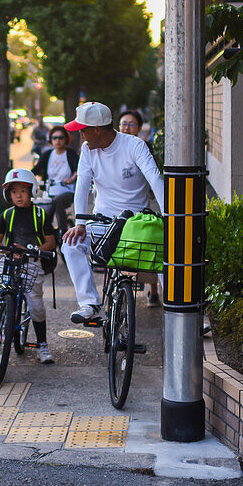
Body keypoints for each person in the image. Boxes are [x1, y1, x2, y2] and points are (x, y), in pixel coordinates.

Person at [61, 102, 165, 324]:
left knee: (168, 249)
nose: (80, 135)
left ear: (97, 129)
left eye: (83, 129)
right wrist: (79, 222)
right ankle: (89, 302)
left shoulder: (134, 145)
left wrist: (169, 216)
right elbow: (82, 186)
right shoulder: (87, 151)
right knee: (70, 244)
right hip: (102, 222)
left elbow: (155, 178)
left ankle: (182, 310)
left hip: (136, 225)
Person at [0, 169, 58, 364]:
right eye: (14, 191)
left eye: (23, 191)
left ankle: (42, 344)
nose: (18, 195)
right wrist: (6, 250)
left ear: (32, 191)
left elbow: (50, 242)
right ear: (8, 194)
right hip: (9, 262)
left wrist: (32, 249)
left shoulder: (40, 214)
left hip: (32, 262)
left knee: (36, 305)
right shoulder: (6, 215)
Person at [118, 109, 161, 306]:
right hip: (117, 205)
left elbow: (151, 173)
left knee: (146, 248)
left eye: (131, 124)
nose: (126, 128)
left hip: (140, 204)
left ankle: (153, 290)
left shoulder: (143, 146)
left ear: (139, 128)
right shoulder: (114, 146)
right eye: (123, 124)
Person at [32, 124, 78, 235]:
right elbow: (35, 170)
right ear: (50, 140)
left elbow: (79, 170)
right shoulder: (47, 154)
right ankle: (46, 234)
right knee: (43, 211)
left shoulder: (71, 154)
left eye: (60, 138)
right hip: (49, 191)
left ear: (66, 139)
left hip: (67, 191)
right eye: (54, 138)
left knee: (58, 201)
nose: (57, 140)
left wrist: (72, 178)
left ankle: (63, 232)